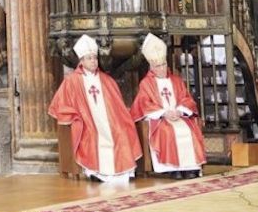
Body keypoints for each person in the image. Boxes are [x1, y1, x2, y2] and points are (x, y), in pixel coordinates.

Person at [49, 34, 140, 182]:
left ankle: (122, 171)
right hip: (87, 121)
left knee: (121, 130)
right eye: (90, 58)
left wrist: (122, 119)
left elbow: (118, 106)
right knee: (92, 134)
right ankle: (95, 172)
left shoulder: (107, 80)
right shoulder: (72, 81)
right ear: (82, 60)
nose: (93, 61)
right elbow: (61, 104)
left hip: (109, 121)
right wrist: (74, 116)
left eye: (95, 58)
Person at [130, 34, 205, 179]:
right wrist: (164, 113)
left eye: (164, 64)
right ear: (152, 67)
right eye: (158, 66)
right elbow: (144, 103)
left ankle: (190, 168)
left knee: (190, 129)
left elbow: (187, 98)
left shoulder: (176, 80)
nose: (162, 68)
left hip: (179, 115)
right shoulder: (146, 83)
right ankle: (172, 168)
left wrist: (180, 110)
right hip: (160, 118)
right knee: (168, 130)